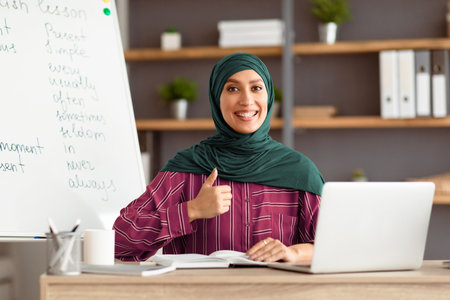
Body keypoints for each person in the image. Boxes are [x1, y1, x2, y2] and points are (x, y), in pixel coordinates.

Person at [113, 53, 325, 263]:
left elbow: (336, 245)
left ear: (268, 95)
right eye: (232, 89)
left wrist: (293, 253)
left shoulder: (299, 172)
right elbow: (118, 240)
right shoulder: (187, 169)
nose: (246, 100)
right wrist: (191, 210)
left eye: (256, 88)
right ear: (216, 98)